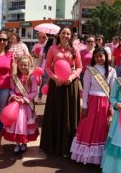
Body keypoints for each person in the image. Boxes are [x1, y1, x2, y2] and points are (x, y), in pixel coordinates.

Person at [40, 27, 82, 157]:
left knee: (70, 115)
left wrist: (71, 77)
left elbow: (79, 67)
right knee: (56, 113)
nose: (66, 35)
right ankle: (53, 146)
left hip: (70, 85)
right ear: (59, 35)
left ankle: (69, 146)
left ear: (71, 36)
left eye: (68, 33)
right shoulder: (52, 49)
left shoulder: (75, 50)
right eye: (63, 33)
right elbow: (47, 66)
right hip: (56, 85)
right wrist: (54, 78)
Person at [70, 48, 117, 165]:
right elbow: (85, 89)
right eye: (96, 56)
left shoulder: (112, 71)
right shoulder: (89, 70)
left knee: (102, 127)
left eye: (101, 56)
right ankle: (86, 155)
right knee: (88, 126)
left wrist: (111, 107)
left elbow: (113, 91)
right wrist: (84, 105)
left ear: (106, 57)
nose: (99, 58)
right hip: (91, 101)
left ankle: (100, 156)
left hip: (104, 103)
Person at [2, 55, 39, 153]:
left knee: (24, 124)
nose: (23, 67)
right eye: (21, 65)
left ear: (29, 65)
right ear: (17, 65)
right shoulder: (14, 77)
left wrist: (25, 99)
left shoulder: (32, 77)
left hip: (26, 104)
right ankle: (17, 144)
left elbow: (35, 91)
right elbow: (12, 90)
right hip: (16, 104)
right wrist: (13, 96)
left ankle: (24, 143)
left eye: (25, 65)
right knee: (16, 124)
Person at [35, 35, 55, 104]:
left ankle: (48, 99)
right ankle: (39, 98)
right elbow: (40, 60)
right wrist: (38, 69)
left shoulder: (55, 49)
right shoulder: (43, 49)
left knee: (51, 85)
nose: (55, 42)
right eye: (54, 41)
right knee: (44, 84)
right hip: (45, 70)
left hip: (54, 70)